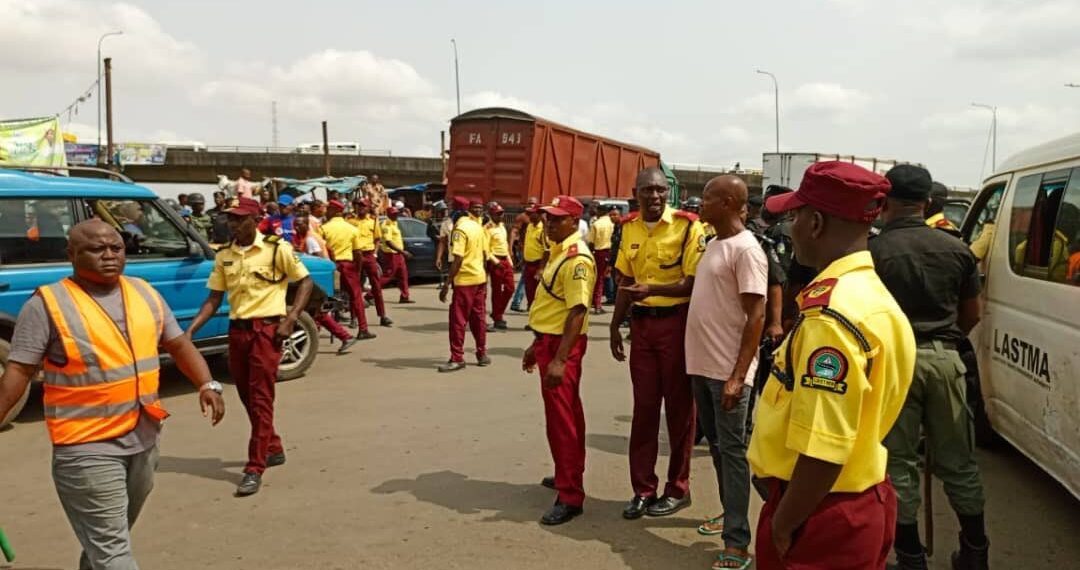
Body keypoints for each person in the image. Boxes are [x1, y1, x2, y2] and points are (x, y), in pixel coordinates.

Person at [0, 219, 225, 570]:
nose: (109, 256)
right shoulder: (46, 305)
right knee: (113, 551)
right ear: (71, 254)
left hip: (144, 438)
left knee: (104, 543)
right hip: (86, 448)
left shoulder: (144, 292)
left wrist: (207, 383)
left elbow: (178, 343)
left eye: (116, 248)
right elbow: (18, 372)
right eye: (96, 249)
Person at [747, 161, 916, 570]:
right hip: (857, 496)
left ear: (816, 223)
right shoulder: (871, 296)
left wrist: (784, 524)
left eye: (795, 216)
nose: (791, 227)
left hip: (819, 511)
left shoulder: (831, 318)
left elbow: (824, 448)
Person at [870, 165, 989, 570]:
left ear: (884, 201)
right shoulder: (957, 249)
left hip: (894, 363)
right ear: (927, 202)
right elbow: (972, 315)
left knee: (899, 463)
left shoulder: (873, 252)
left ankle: (910, 556)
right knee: (959, 462)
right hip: (946, 358)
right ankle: (975, 551)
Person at [187, 197, 314, 497]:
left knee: (260, 398)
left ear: (255, 220)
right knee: (247, 395)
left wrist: (291, 318)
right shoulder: (224, 255)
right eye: (229, 218)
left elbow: (305, 282)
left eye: (239, 218)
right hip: (238, 332)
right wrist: (189, 331)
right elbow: (214, 297)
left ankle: (255, 466)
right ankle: (273, 446)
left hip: (266, 332)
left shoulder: (275, 248)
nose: (232, 223)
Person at [610, 166, 706, 520]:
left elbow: (692, 283)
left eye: (660, 190)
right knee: (644, 410)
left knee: (680, 411)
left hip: (676, 325)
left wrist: (652, 290)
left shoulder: (687, 226)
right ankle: (642, 489)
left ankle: (678, 488)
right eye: (647, 190)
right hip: (643, 329)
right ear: (635, 192)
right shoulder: (629, 227)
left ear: (669, 193)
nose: (654, 197)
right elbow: (626, 279)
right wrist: (615, 325)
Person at [686, 176, 767, 570]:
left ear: (730, 202)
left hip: (726, 371)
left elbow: (756, 315)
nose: (700, 203)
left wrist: (738, 375)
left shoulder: (747, 250)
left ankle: (738, 543)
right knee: (718, 448)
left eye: (708, 197)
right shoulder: (714, 245)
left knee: (733, 452)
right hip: (702, 366)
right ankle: (728, 513)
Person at [521, 196, 595, 525]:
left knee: (563, 420)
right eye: (548, 218)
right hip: (548, 341)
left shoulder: (577, 259)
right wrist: (535, 345)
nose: (549, 224)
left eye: (556, 219)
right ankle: (567, 472)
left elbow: (578, 310)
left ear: (574, 222)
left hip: (561, 345)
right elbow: (551, 306)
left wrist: (559, 359)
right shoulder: (559, 252)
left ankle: (570, 495)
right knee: (562, 418)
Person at [293, 215, 358, 354]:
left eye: (300, 224)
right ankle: (341, 337)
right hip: (317, 279)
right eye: (295, 225)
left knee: (318, 313)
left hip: (316, 280)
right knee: (316, 314)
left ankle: (344, 337)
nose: (296, 228)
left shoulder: (310, 240)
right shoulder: (308, 237)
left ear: (306, 224)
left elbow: (318, 260)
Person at [438, 199, 490, 373]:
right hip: (479, 278)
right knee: (478, 318)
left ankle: (457, 357)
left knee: (458, 321)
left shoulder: (460, 229)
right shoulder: (478, 227)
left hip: (465, 280)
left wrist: (446, 284)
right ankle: (481, 354)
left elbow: (458, 258)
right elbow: (484, 254)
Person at [321, 200, 378, 340]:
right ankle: (363, 329)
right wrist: (357, 270)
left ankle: (323, 328)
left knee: (325, 297)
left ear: (334, 211)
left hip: (329, 266)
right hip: (347, 265)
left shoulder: (324, 228)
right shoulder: (352, 229)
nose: (326, 212)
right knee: (356, 297)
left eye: (329, 209)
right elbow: (358, 252)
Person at [349, 199, 393, 327]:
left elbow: (377, 239)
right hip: (355, 254)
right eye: (359, 206)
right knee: (354, 287)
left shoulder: (373, 221)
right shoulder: (351, 221)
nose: (361, 208)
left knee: (376, 286)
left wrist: (375, 253)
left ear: (368, 208)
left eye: (364, 206)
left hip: (368, 254)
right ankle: (354, 317)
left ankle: (382, 315)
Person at [485, 202, 514, 331]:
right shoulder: (487, 229)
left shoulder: (502, 226)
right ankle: (498, 317)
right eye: (498, 213)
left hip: (505, 259)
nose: (501, 216)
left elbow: (505, 245)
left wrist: (509, 260)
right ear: (491, 214)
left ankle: (497, 312)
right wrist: (496, 262)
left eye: (502, 213)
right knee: (497, 291)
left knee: (510, 288)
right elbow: (486, 249)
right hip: (495, 261)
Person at [509, 197, 541, 312]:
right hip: (524, 252)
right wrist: (510, 248)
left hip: (534, 256)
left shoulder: (540, 224)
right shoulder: (523, 217)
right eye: (530, 203)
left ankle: (522, 303)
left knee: (527, 280)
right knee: (525, 279)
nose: (531, 206)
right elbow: (514, 232)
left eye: (533, 204)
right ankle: (517, 302)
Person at [379, 207, 414, 303]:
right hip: (391, 254)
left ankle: (404, 296)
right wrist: (403, 252)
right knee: (387, 276)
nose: (396, 215)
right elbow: (388, 242)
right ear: (389, 214)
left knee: (403, 275)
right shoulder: (386, 225)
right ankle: (370, 295)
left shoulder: (395, 223)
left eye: (396, 213)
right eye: (394, 214)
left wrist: (401, 253)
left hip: (398, 254)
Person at [586, 202, 615, 314]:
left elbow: (591, 242)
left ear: (601, 212)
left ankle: (596, 304)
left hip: (598, 252)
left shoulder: (596, 224)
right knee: (604, 278)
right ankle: (597, 303)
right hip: (609, 252)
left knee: (598, 279)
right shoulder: (612, 224)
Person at [522, 205, 550, 307]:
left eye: (531, 213)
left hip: (537, 265)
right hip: (528, 265)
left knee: (537, 295)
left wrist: (541, 269)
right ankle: (531, 317)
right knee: (529, 293)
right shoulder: (530, 226)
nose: (528, 215)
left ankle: (536, 320)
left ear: (539, 215)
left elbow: (547, 250)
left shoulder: (543, 230)